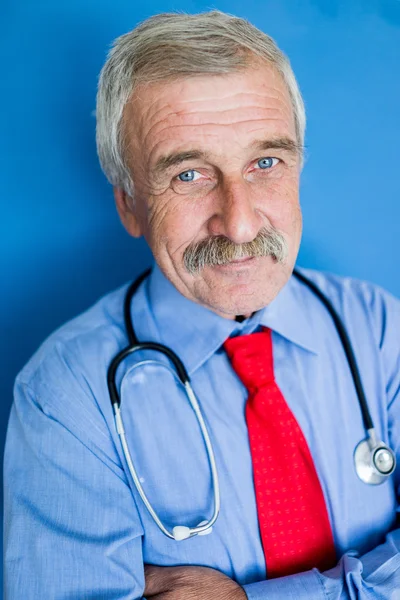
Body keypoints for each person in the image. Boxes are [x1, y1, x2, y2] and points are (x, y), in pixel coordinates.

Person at [4, 10, 400, 600]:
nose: (238, 223)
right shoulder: (64, 396)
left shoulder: (378, 328)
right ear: (130, 205)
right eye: (189, 174)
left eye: (265, 163)